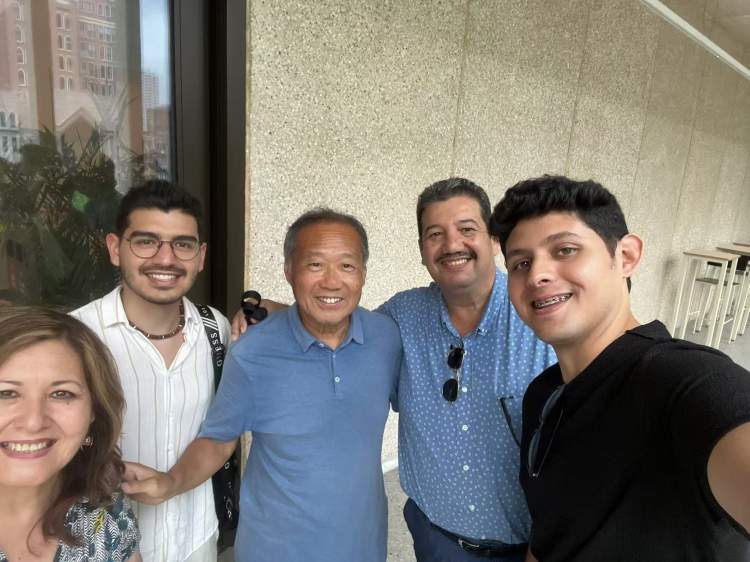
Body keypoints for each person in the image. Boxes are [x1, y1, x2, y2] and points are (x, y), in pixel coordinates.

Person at [232, 178, 555, 561]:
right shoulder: (404, 315)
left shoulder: (540, 320)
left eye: (467, 229)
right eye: (435, 234)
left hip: (527, 548)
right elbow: (339, 329)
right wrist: (274, 310)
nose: (452, 244)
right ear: (422, 250)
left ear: (495, 239)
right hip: (435, 540)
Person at [490, 175, 750, 561]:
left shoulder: (684, 383)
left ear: (625, 256)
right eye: (520, 263)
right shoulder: (542, 396)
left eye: (565, 250)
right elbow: (550, 531)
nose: (537, 274)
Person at [121, 209, 402, 562]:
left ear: (362, 273)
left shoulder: (386, 338)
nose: (331, 281)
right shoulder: (253, 352)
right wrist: (169, 482)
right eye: (315, 265)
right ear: (289, 271)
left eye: (347, 265)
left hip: (362, 546)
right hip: (274, 549)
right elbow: (218, 439)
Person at [71, 181, 230, 562]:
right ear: (115, 249)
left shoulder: (217, 330)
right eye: (146, 242)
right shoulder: (76, 337)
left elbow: (222, 431)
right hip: (104, 549)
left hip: (196, 540)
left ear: (201, 256)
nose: (166, 258)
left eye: (183, 244)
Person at [0, 306, 140, 562]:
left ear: (93, 410)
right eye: (6, 393)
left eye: (61, 394)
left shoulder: (106, 518)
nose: (33, 422)